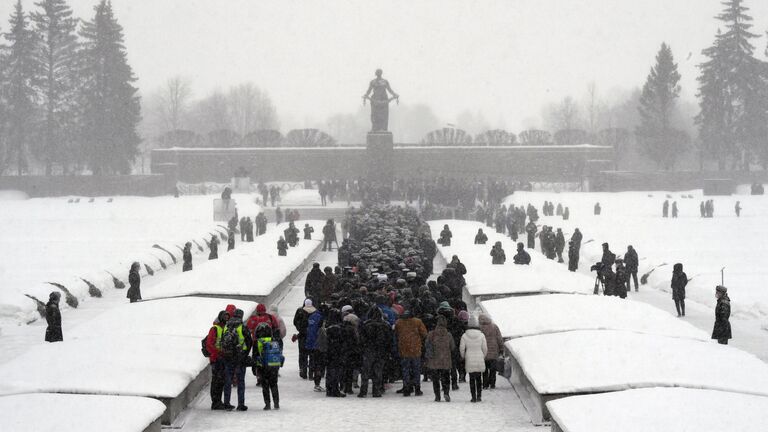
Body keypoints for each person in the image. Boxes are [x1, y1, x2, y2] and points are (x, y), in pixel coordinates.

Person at [359, 306, 392, 398]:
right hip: (381, 351)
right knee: (378, 371)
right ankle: (376, 390)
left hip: (368, 350)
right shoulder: (386, 325)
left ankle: (363, 390)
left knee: (365, 371)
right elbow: (389, 340)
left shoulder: (365, 325)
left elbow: (361, 339)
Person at [222, 309, 251, 411]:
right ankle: (240, 404)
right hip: (239, 357)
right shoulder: (242, 327)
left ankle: (226, 403)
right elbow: (249, 341)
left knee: (228, 380)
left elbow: (222, 340)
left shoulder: (226, 326)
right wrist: (245, 354)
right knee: (240, 381)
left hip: (228, 356)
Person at [394, 309, 428, 397]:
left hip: (403, 349)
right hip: (415, 349)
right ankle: (417, 388)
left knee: (405, 370)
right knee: (416, 370)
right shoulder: (417, 321)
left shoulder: (399, 322)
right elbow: (424, 333)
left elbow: (396, 333)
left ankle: (406, 388)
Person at [253, 322, 283, 410]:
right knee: (274, 385)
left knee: (265, 386)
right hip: (273, 366)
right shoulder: (274, 340)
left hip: (262, 367)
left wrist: (255, 368)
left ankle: (267, 404)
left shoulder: (257, 342)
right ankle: (276, 403)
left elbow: (255, 356)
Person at [426, 315, 455, 402]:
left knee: (435, 379)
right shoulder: (448, 335)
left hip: (435, 360)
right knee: (446, 378)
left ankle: (437, 396)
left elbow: (427, 345)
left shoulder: (431, 334)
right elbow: (452, 347)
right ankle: (446, 393)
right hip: (445, 360)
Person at [460, 315, 487, 403]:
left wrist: (463, 356)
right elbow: (485, 348)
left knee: (471, 378)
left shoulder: (464, 335)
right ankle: (479, 395)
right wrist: (483, 356)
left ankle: (473, 397)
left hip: (469, 357)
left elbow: (462, 348)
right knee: (479, 378)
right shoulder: (481, 335)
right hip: (479, 356)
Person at [206, 310, 230, 410]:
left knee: (220, 381)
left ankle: (218, 401)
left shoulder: (225, 328)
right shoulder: (215, 329)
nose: (226, 319)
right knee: (216, 381)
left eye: (227, 317)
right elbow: (209, 344)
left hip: (222, 358)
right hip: (216, 359)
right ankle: (215, 402)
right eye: (225, 317)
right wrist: (218, 353)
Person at [293, 299, 316, 379]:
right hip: (313, 336)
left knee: (303, 354)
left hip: (303, 336)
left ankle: (303, 370)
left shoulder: (300, 311)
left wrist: (300, 329)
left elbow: (295, 321)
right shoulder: (315, 312)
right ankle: (311, 373)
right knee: (312, 355)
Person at [478, 313, 502, 390]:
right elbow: (499, 339)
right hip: (494, 351)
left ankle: (485, 384)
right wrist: (501, 349)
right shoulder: (494, 327)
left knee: (484, 370)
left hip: (483, 351)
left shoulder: (479, 328)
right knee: (493, 369)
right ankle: (492, 384)